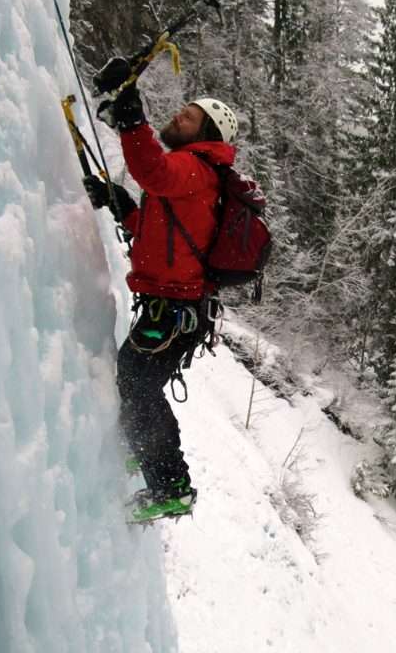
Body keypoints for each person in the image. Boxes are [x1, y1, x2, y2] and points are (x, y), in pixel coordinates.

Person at [83, 60, 239, 522]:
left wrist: (132, 115)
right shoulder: (193, 176)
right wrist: (123, 205)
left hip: (174, 309)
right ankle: (141, 447)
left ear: (206, 132)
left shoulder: (196, 167)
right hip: (171, 306)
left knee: (138, 381)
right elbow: (160, 240)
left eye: (188, 118)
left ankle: (172, 484)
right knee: (135, 378)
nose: (178, 118)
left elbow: (151, 170)